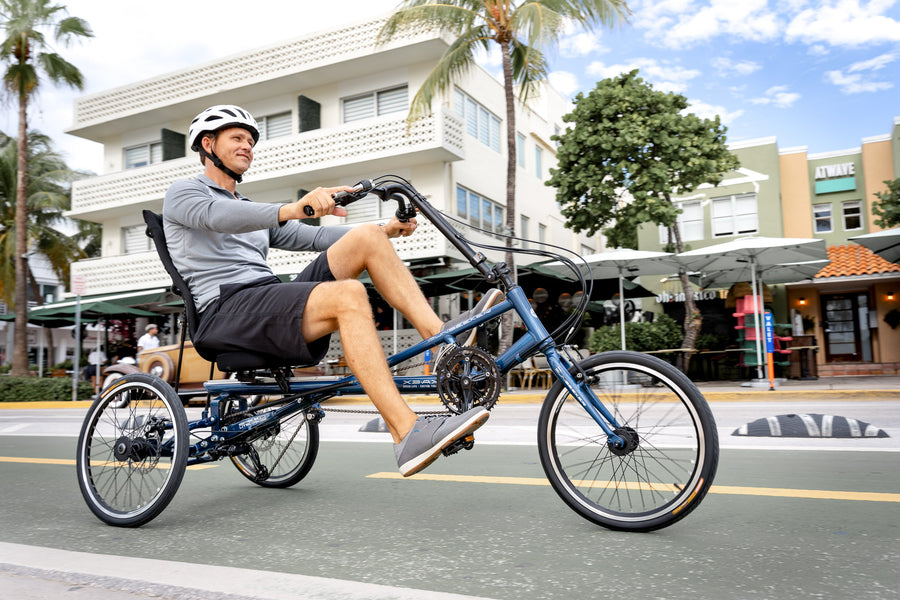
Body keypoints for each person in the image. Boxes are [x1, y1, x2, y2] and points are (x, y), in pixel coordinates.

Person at [163, 105, 502, 477]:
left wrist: (384, 229)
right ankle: (407, 431)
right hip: (223, 311)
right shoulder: (184, 194)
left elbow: (315, 236)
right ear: (208, 144)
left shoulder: (249, 207)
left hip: (263, 299)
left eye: (250, 140)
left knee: (366, 238)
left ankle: (441, 342)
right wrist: (293, 207)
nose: (247, 146)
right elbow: (217, 217)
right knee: (348, 294)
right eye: (237, 138)